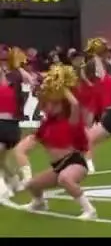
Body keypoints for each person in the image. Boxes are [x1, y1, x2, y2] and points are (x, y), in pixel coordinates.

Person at [9, 66, 96, 220]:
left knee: (65, 178)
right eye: (48, 104)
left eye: (54, 104)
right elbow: (33, 141)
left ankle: (89, 210)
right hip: (57, 167)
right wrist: (24, 147)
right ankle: (39, 202)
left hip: (74, 162)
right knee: (32, 184)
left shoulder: (71, 120)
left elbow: (75, 104)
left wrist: (62, 88)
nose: (49, 107)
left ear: (62, 104)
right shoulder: (46, 125)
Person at [0, 47, 24, 198]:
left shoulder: (14, 81)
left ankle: (4, 189)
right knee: (1, 160)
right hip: (8, 126)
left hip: (7, 126)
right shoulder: (11, 81)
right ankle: (14, 182)